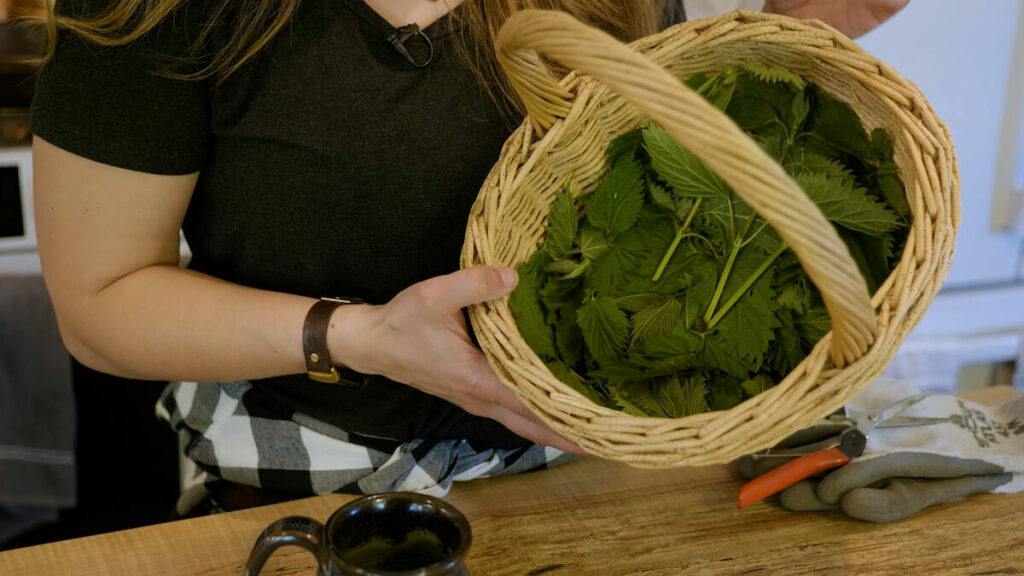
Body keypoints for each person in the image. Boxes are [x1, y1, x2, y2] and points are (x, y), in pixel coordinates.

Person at [30, 0, 908, 515]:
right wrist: (362, 336)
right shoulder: (159, 15)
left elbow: (647, 197)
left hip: (583, 479)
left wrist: (794, 41)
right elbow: (102, 305)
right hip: (306, 492)